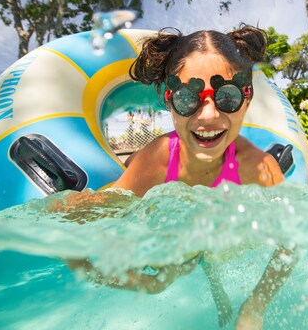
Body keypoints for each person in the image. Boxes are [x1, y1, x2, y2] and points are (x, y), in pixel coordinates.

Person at [51, 25, 293, 330]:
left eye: (227, 96)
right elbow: (68, 227)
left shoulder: (259, 168)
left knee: (212, 250)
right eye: (188, 98)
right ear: (169, 100)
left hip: (207, 234)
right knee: (173, 263)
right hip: (170, 239)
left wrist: (255, 305)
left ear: (247, 97)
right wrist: (147, 284)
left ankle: (216, 283)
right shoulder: (158, 160)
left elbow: (292, 240)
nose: (208, 116)